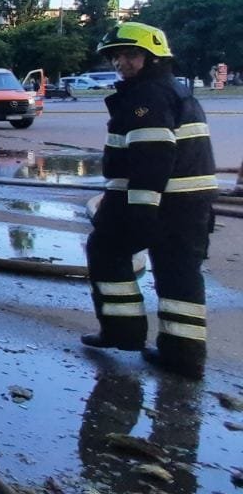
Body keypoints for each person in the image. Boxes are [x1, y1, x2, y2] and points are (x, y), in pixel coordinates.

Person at [81, 22, 216, 379]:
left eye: (131, 55)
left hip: (160, 200)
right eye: (116, 57)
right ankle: (184, 355)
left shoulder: (147, 96)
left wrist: (142, 209)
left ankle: (122, 332)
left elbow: (152, 157)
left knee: (105, 250)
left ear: (154, 57)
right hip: (190, 203)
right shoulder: (172, 91)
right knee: (179, 273)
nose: (121, 63)